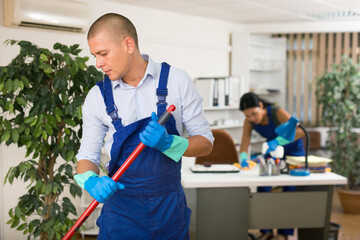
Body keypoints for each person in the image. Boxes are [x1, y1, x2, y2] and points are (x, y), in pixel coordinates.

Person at [73, 13, 214, 239]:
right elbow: (86, 157)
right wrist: (91, 181)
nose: (98, 63)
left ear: (128, 44)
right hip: (121, 217)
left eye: (103, 53)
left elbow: (205, 144)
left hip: (169, 212)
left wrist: (169, 143)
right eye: (95, 56)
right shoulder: (97, 97)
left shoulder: (177, 81)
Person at [239, 92, 305, 240]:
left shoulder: (277, 112)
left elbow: (300, 131)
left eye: (254, 114)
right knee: (263, 185)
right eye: (247, 116)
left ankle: (284, 234)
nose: (252, 119)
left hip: (293, 150)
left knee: (290, 189)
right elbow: (244, 143)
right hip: (273, 151)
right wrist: (243, 158)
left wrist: (278, 142)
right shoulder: (249, 122)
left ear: (261, 106)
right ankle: (266, 230)